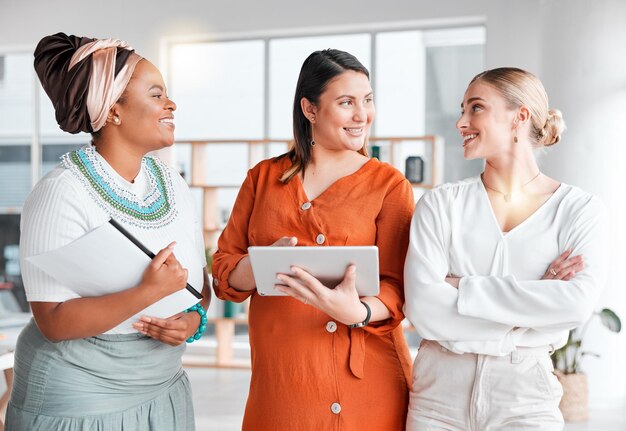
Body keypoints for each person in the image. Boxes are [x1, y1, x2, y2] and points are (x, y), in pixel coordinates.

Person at [6, 33, 211, 430]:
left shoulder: (173, 183)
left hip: (162, 387)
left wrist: (192, 321)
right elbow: (53, 321)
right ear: (114, 110)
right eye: (156, 95)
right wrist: (147, 292)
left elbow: (198, 285)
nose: (171, 104)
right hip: (79, 396)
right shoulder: (60, 192)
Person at [212, 49, 414, 430]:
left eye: (367, 100)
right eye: (346, 102)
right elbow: (223, 272)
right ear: (310, 109)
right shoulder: (263, 178)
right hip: (283, 383)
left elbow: (400, 286)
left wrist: (358, 312)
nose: (362, 115)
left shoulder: (389, 185)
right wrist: (257, 265)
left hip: (366, 382)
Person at [404, 67, 609, 430]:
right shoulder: (440, 204)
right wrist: (533, 305)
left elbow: (575, 304)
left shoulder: (579, 209)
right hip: (438, 400)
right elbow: (423, 309)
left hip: (525, 397)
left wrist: (461, 286)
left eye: (476, 108)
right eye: (462, 109)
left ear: (520, 116)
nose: (461, 122)